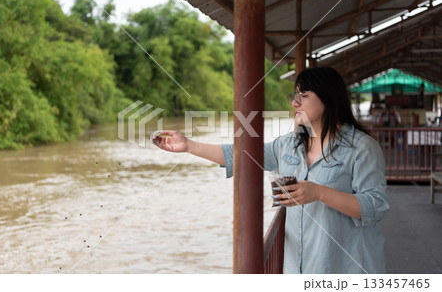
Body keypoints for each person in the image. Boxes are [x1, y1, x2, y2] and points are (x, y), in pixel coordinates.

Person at [152, 66, 390, 274]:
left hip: (345, 269)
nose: (294, 103)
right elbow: (241, 156)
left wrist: (319, 193)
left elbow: (375, 205)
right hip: (297, 269)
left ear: (327, 98)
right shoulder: (287, 145)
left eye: (303, 96)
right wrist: (188, 146)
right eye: (294, 96)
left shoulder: (362, 147)